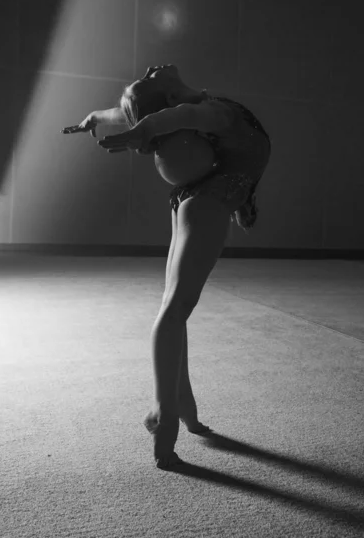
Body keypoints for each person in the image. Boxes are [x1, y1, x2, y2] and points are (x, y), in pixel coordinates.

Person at [62, 64, 271, 469]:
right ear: (171, 97)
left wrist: (101, 117)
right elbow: (180, 116)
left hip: (193, 197)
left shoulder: (192, 107)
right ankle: (164, 413)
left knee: (176, 308)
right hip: (208, 199)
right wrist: (145, 130)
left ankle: (184, 403)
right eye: (150, 77)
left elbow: (145, 111)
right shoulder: (209, 112)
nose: (151, 67)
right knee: (175, 308)